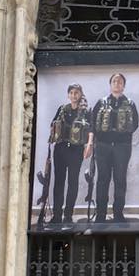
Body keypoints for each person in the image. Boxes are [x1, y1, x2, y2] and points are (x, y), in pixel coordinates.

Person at [88, 73, 138, 222]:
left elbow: (134, 124)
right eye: (114, 81)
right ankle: (101, 213)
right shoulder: (101, 102)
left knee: (120, 179)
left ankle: (118, 213)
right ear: (110, 84)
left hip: (122, 147)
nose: (117, 84)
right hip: (102, 146)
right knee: (102, 179)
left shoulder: (130, 103)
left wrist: (121, 135)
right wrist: (91, 143)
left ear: (124, 85)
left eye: (120, 81)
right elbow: (92, 124)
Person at [49, 83, 90, 223]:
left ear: (80, 94)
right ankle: (56, 215)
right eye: (71, 92)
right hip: (60, 149)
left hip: (76, 150)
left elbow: (90, 130)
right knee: (59, 182)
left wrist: (88, 146)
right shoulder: (62, 109)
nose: (74, 95)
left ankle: (68, 215)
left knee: (72, 182)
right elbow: (52, 125)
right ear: (68, 95)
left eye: (76, 93)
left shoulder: (85, 111)